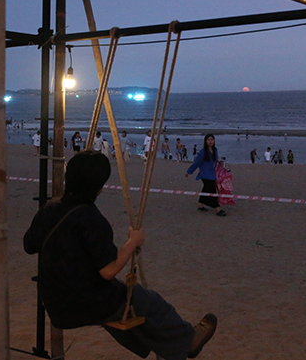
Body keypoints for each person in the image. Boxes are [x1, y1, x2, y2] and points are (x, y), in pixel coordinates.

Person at [24, 151, 217, 360]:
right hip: (81, 302)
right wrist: (132, 242)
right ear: (98, 187)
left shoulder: (49, 207)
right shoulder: (91, 219)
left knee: (130, 309)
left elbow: (29, 245)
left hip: (53, 299)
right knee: (148, 301)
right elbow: (108, 271)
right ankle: (188, 340)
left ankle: (171, 347)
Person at [185, 134, 226, 217]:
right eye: (208, 140)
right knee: (212, 190)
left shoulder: (215, 150)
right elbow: (197, 162)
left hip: (212, 173)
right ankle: (217, 208)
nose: (210, 141)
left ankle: (200, 204)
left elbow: (214, 161)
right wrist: (189, 171)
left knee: (206, 189)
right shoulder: (203, 151)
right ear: (206, 141)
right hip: (204, 174)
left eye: (212, 139)